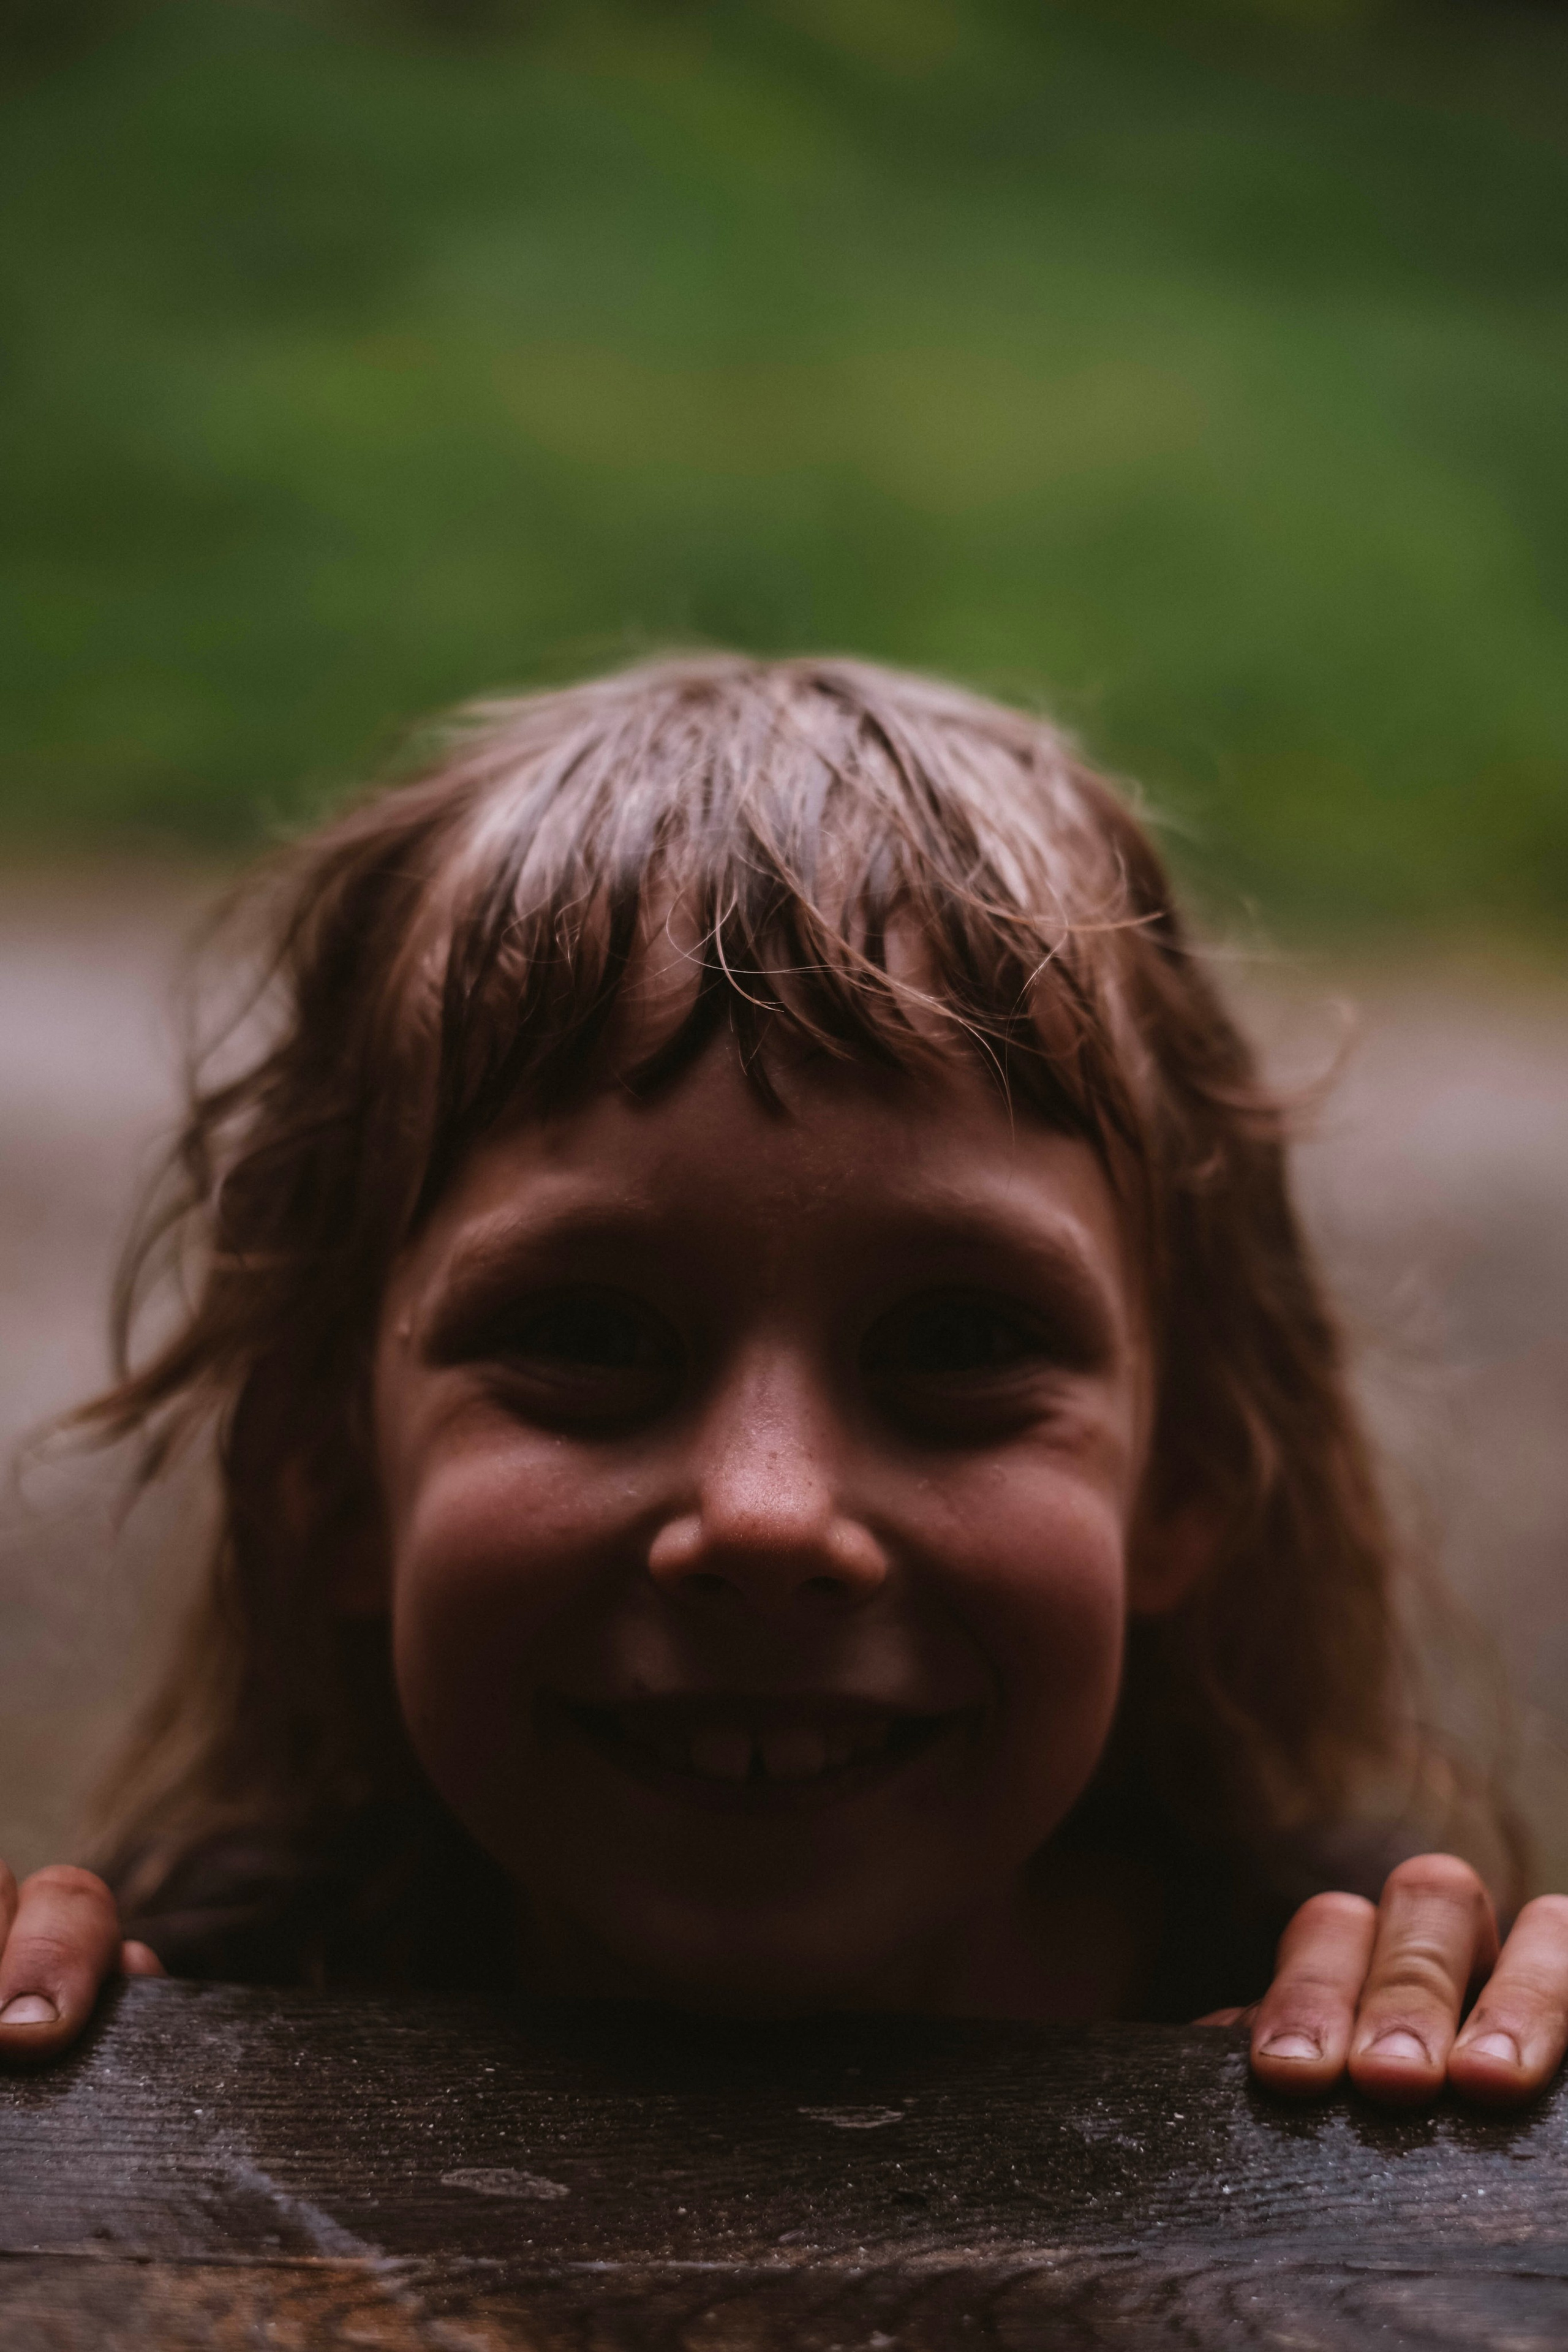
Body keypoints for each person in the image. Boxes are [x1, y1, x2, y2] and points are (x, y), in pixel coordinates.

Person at [2, 655, 1565, 2107]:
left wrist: (1484, 2107)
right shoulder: (194, 2013)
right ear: (326, 1457)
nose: (766, 1515)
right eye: (588, 1337)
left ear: (1191, 1467)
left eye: (958, 1345)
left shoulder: (1338, 2017)